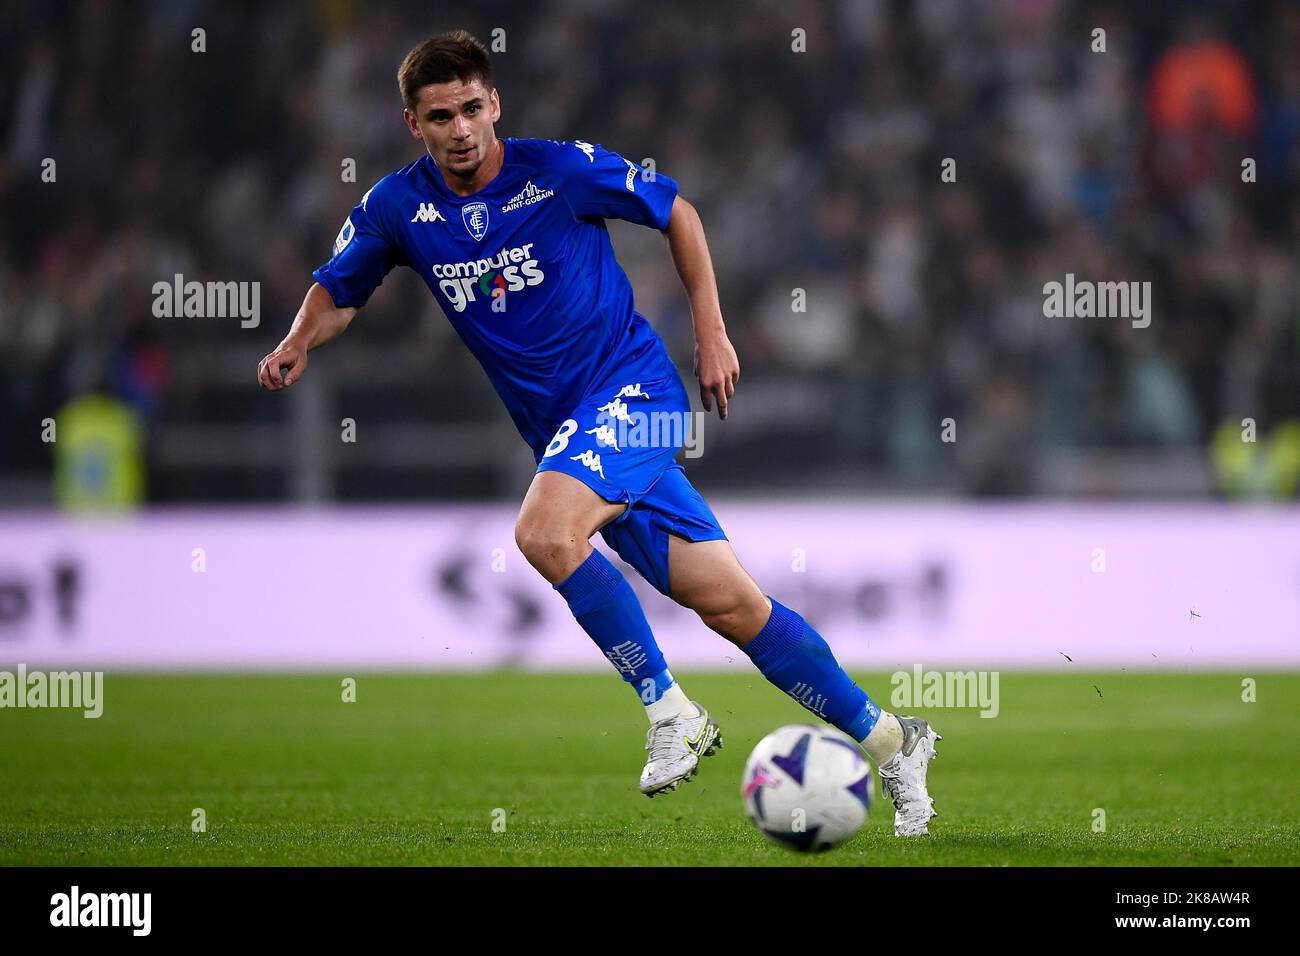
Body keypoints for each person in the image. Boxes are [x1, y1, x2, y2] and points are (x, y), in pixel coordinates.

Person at [257, 29, 939, 835]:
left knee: (543, 532)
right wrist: (299, 339)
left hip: (635, 395)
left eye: (474, 107)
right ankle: (896, 743)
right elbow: (340, 289)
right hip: (572, 438)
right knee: (735, 608)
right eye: (441, 116)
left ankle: (671, 712)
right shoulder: (397, 209)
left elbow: (676, 210)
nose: (462, 129)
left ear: (495, 103)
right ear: (413, 123)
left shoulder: (559, 170)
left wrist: (711, 332)